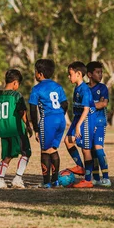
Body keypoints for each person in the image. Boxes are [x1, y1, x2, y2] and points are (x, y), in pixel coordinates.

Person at [0, 69, 32, 189]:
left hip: (3, 130)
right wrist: (28, 126)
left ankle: (0, 180)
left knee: (7, 155)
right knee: (26, 152)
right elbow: (22, 112)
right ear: (15, 82)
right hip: (16, 130)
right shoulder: (16, 95)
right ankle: (17, 179)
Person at [28, 59, 68, 189]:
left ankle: (46, 183)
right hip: (60, 119)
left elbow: (33, 110)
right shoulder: (57, 86)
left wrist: (36, 129)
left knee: (45, 151)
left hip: (48, 121)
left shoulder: (37, 88)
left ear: (40, 73)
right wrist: (60, 115)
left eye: (35, 72)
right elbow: (65, 104)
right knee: (53, 149)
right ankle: (55, 181)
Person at [64, 61, 95, 188]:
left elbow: (86, 109)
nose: (68, 76)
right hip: (78, 119)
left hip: (86, 120)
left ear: (78, 74)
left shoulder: (85, 89)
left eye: (70, 74)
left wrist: (78, 126)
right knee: (68, 141)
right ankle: (80, 167)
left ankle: (88, 180)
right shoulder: (77, 87)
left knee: (85, 149)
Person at [86, 61, 111, 187]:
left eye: (101, 72)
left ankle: (106, 177)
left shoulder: (103, 88)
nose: (100, 74)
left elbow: (104, 104)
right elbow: (83, 106)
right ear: (89, 74)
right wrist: (96, 104)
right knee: (90, 150)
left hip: (100, 122)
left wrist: (89, 106)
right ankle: (95, 177)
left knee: (98, 148)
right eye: (98, 72)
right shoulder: (83, 88)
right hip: (86, 123)